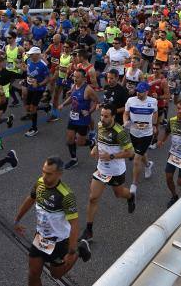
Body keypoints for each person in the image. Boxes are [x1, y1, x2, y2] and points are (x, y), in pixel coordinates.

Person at [13, 157, 91, 286]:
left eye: (49, 174)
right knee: (33, 274)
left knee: (56, 274)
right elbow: (30, 199)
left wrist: (71, 252)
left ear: (59, 174)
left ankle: (79, 248)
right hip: (41, 237)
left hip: (60, 242)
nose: (44, 176)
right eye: (43, 171)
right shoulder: (40, 183)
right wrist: (16, 220)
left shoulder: (66, 195)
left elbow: (74, 223)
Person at [80, 105, 136, 242]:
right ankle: (88, 231)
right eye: (101, 115)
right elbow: (99, 140)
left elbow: (131, 153)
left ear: (113, 117)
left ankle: (130, 196)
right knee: (93, 198)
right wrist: (95, 148)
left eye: (106, 116)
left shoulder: (120, 132)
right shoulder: (100, 125)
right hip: (101, 169)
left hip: (116, 171)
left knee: (119, 194)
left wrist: (112, 156)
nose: (102, 118)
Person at [59, 69, 99, 170]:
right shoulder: (74, 86)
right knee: (69, 139)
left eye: (77, 77)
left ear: (84, 79)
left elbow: (96, 101)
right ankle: (73, 159)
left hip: (82, 120)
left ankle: (91, 142)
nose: (75, 79)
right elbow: (72, 98)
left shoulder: (88, 89)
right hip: (73, 117)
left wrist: (89, 112)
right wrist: (63, 104)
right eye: (74, 76)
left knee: (80, 143)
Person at [123, 82, 158, 194]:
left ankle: (134, 184)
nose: (138, 93)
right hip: (134, 133)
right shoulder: (131, 101)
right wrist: (125, 121)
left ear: (147, 92)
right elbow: (125, 113)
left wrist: (154, 125)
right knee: (141, 153)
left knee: (136, 158)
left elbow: (156, 113)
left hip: (147, 134)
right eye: (137, 91)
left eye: (141, 92)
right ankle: (148, 165)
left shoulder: (153, 101)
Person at [24, 47, 50, 137]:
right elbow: (28, 72)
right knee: (27, 107)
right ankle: (45, 107)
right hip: (30, 87)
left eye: (32, 54)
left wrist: (39, 84)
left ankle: (34, 128)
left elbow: (47, 78)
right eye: (30, 54)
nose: (30, 55)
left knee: (32, 108)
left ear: (38, 54)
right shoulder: (28, 61)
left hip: (39, 89)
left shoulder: (43, 65)